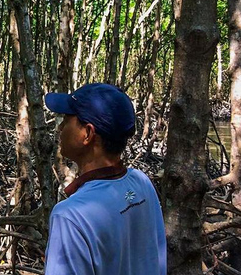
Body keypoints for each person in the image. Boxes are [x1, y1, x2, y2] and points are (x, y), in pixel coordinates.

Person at [43, 83, 166, 275]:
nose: (60, 128)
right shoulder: (142, 183)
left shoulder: (70, 216)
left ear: (88, 134)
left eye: (67, 120)